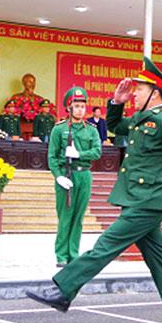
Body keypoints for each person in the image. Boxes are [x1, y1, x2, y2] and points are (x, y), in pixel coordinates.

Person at [26, 57, 162, 323]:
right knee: (159, 263)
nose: (134, 94)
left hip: (147, 201)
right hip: (138, 198)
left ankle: (64, 289)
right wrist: (115, 101)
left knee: (106, 245)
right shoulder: (142, 119)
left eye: (138, 90)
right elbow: (116, 126)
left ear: (154, 93)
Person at [48, 87, 102, 266]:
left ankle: (73, 253)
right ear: (69, 108)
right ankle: (61, 255)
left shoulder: (92, 130)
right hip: (66, 174)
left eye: (82, 106)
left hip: (84, 175)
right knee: (65, 216)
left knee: (78, 217)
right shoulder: (59, 129)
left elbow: (97, 152)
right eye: (76, 106)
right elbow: (52, 156)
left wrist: (79, 153)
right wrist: (58, 176)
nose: (80, 109)